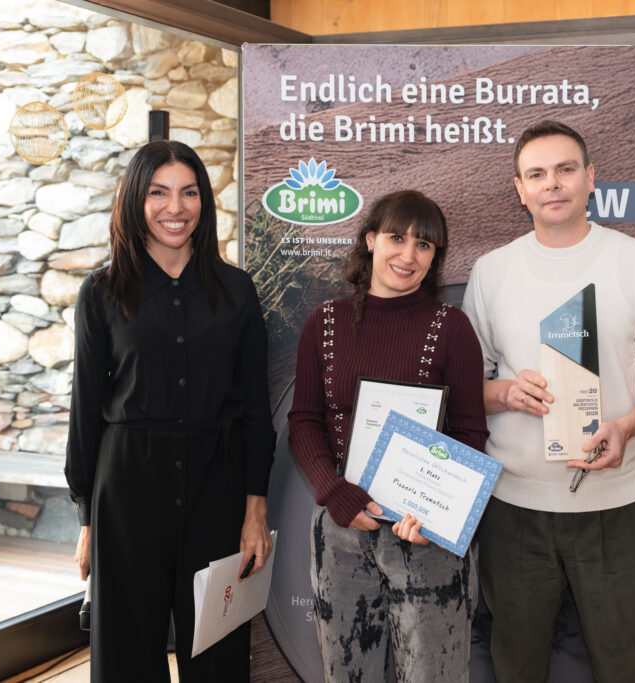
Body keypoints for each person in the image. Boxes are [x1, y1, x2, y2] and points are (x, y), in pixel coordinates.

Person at [461, 120, 635, 682]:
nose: (553, 183)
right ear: (520, 189)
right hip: (513, 511)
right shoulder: (491, 271)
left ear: (590, 178)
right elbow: (466, 387)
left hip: (615, 510)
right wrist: (505, 393)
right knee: (516, 667)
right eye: (537, 174)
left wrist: (628, 426)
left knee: (622, 666)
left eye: (565, 169)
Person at [65, 140, 276, 681]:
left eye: (189, 192)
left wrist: (255, 514)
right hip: (127, 489)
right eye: (158, 193)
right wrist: (88, 520)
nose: (175, 208)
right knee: (126, 657)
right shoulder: (101, 292)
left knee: (218, 656)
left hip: (217, 487)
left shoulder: (237, 291)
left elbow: (256, 410)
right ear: (136, 199)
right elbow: (85, 411)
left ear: (204, 201)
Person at [288, 190, 488, 682]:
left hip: (425, 537)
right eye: (397, 238)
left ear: (435, 257)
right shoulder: (324, 323)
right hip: (342, 528)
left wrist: (436, 512)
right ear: (371, 240)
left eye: (424, 245)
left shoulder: (452, 328)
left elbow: (469, 432)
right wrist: (335, 493)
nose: (408, 255)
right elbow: (305, 420)